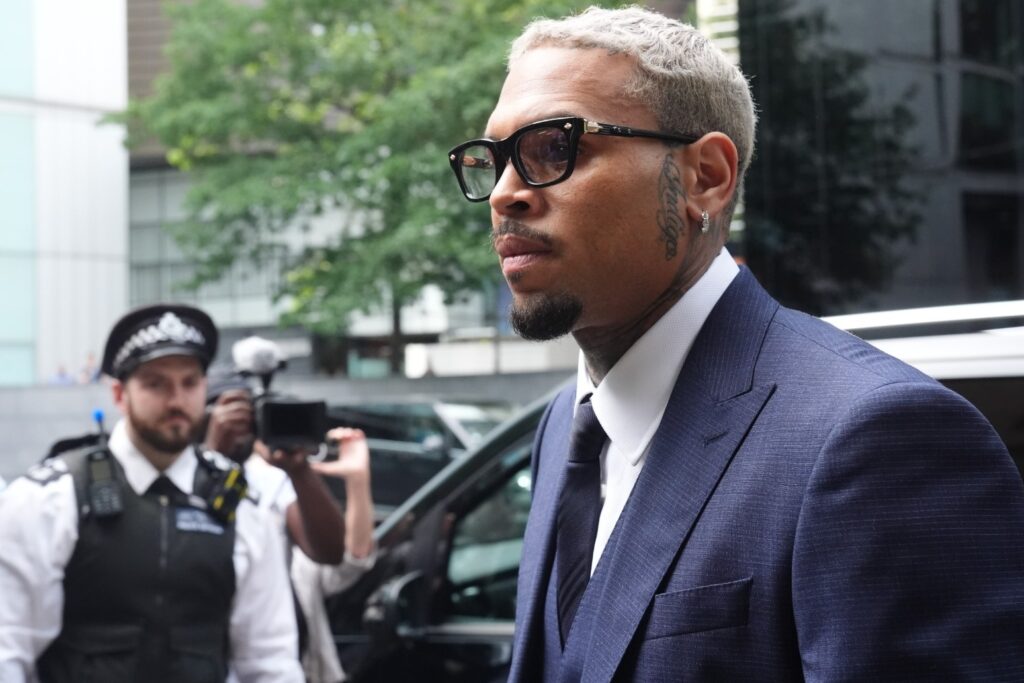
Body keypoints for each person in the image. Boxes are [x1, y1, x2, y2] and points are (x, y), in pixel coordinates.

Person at [446, 6, 1024, 681]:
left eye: (553, 148)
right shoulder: (563, 426)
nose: (505, 193)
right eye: (494, 160)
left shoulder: (878, 437)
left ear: (707, 177)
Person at [0, 304, 304, 683]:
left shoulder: (242, 506)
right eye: (155, 384)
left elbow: (270, 660)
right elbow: (9, 646)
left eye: (189, 383)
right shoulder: (50, 500)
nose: (176, 400)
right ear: (119, 394)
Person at [204, 368, 375, 683]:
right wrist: (212, 455)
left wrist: (299, 468)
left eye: (246, 417)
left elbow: (334, 555)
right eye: (226, 414)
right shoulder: (180, 478)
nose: (237, 427)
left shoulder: (270, 482)